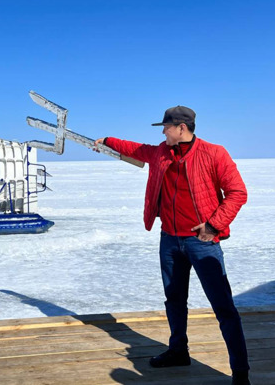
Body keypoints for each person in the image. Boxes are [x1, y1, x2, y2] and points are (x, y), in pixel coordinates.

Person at [94, 106, 250, 385]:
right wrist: (106, 140)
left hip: (202, 242)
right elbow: (136, 148)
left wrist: (213, 225)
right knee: (174, 301)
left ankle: (240, 373)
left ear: (181, 128)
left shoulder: (214, 153)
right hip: (169, 240)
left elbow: (238, 192)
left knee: (224, 307)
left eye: (166, 127)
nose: (162, 132)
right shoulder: (160, 152)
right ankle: (179, 351)